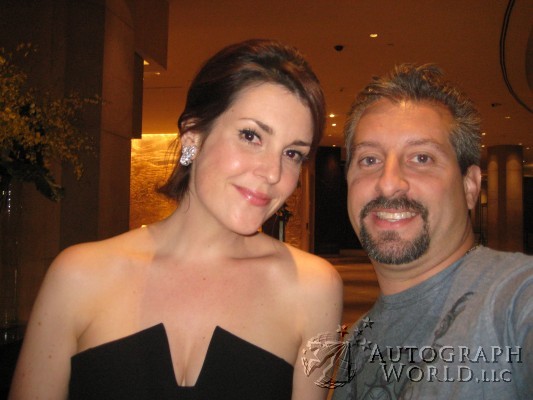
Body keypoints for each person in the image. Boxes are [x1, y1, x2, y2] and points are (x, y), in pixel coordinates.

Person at [9, 39, 343, 400]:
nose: (273, 173)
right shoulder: (78, 276)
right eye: (251, 136)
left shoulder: (313, 289)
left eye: (292, 153)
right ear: (193, 136)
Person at [332, 64, 532, 399]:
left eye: (421, 158)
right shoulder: (358, 341)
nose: (389, 182)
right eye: (369, 160)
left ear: (470, 187)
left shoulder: (514, 298)